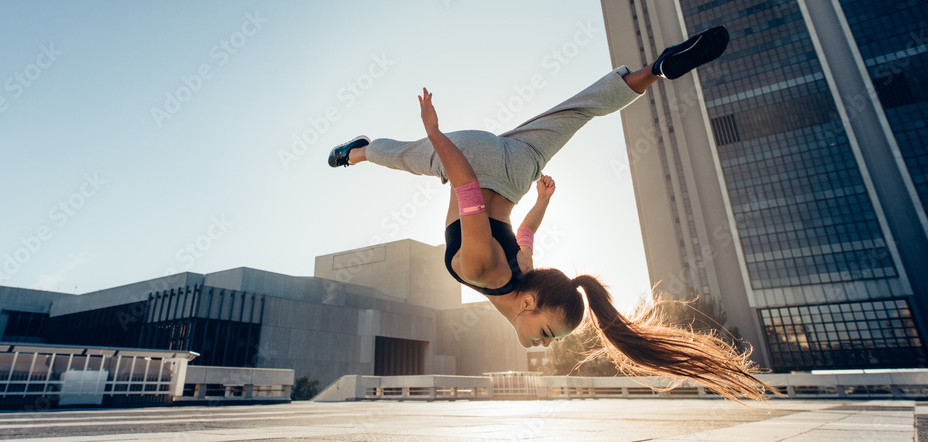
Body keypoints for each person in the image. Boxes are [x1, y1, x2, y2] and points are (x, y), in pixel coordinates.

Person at [329, 25, 770, 401]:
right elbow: (466, 190)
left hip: (519, 168)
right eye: (549, 335)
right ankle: (357, 153)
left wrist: (540, 200)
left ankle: (656, 71)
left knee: (576, 112)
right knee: (409, 154)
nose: (542, 345)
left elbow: (525, 233)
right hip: (474, 160)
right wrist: (434, 133)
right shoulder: (484, 272)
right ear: (528, 302)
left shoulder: (526, 273)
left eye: (547, 337)